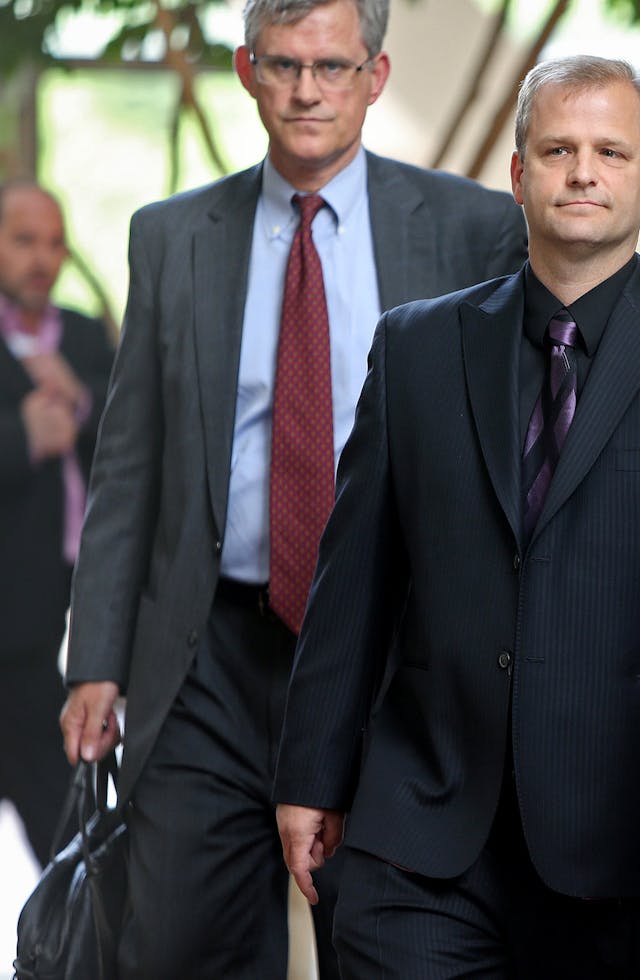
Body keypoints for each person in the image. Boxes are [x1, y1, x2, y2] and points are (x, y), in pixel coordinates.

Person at [271, 54, 640, 978]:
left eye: (610, 151)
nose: (582, 171)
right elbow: (354, 576)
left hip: (632, 847)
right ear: (519, 176)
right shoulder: (417, 348)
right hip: (423, 836)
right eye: (557, 149)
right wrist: (311, 778)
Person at [55, 0, 528, 971]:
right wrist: (96, 656)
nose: (307, 90)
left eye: (332, 67)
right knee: (183, 940)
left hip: (390, 647)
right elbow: (129, 460)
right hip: (209, 653)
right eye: (283, 65)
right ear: (244, 70)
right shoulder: (173, 235)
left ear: (376, 76)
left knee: (382, 936)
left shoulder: (469, 229)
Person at [0, 181, 113, 866]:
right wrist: (22, 438)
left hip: (68, 598)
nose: (42, 258)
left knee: (67, 822)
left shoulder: (82, 332)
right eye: (23, 240)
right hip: (12, 615)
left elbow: (128, 435)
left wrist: (83, 404)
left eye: (53, 242)